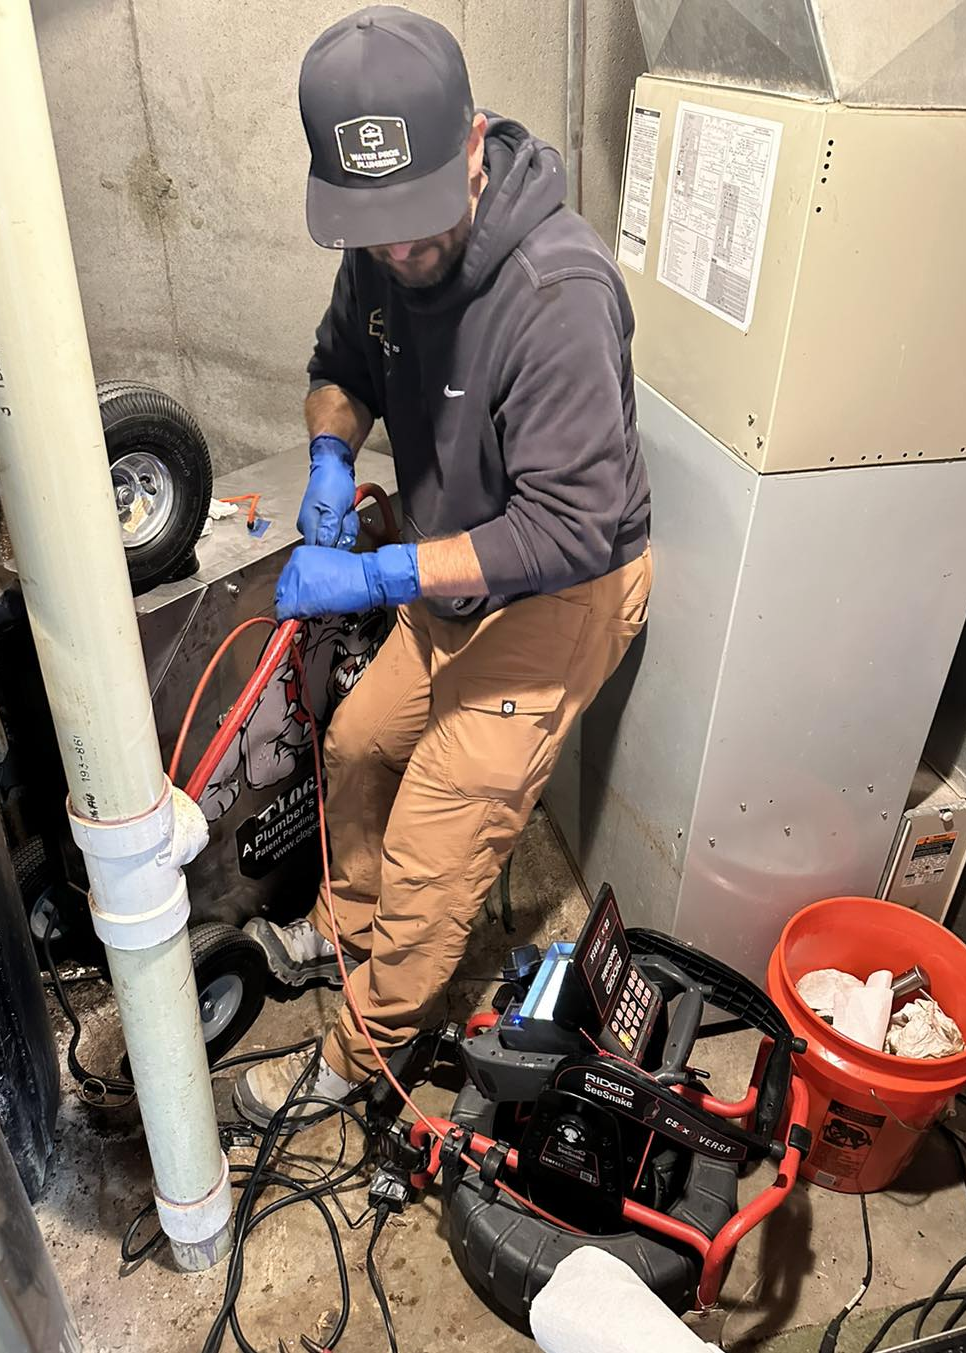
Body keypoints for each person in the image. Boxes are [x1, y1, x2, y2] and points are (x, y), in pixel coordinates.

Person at [233, 4, 652, 1129]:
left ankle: (358, 1051)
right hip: (450, 571)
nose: (401, 253)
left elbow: (570, 528)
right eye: (374, 230)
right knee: (360, 744)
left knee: (438, 847)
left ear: (472, 147)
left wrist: (379, 578)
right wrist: (331, 448)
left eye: (416, 221)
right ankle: (346, 932)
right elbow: (338, 366)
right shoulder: (383, 251)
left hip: (559, 591)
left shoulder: (556, 296)